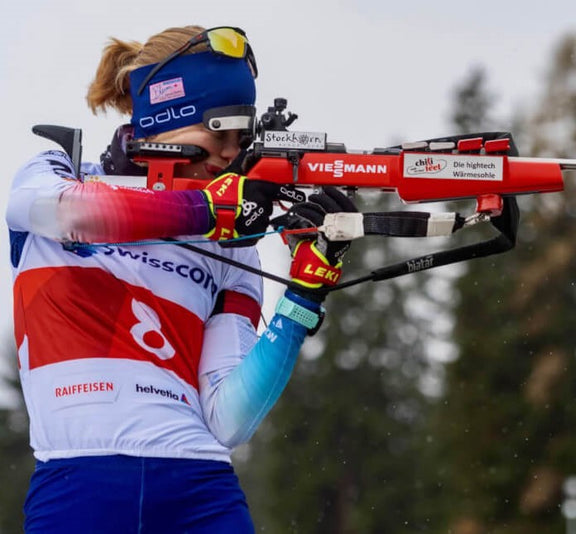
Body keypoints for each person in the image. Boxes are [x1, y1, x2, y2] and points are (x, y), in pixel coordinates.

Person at [7, 25, 355, 533]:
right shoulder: (62, 172)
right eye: (219, 133)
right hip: (78, 483)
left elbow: (228, 420)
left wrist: (303, 295)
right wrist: (204, 209)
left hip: (201, 491)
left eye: (242, 140)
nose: (231, 155)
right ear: (166, 117)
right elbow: (57, 213)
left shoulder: (230, 241)